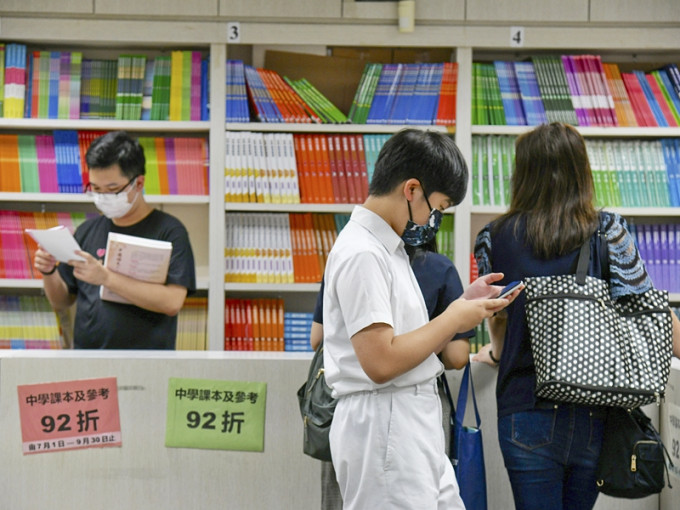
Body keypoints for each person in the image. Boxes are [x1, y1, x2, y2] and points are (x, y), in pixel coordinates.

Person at [472, 122, 680, 510]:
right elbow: (648, 307)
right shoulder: (608, 231)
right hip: (593, 411)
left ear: (523, 173)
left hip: (524, 409)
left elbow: (497, 316)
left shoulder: (493, 237)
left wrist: (499, 354)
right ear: (581, 172)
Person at [322, 128, 517, 510]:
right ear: (411, 190)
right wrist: (454, 317)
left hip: (409, 418)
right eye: (437, 207)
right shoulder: (363, 253)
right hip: (384, 419)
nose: (433, 219)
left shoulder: (387, 247)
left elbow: (407, 336)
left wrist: (462, 303)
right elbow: (380, 361)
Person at [310, 239, 474, 510]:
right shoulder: (437, 267)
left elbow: (318, 338)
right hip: (402, 408)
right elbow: (457, 357)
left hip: (351, 408)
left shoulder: (346, 255)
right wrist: (450, 322)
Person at [33, 131, 196, 349]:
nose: (102, 197)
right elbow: (62, 301)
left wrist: (106, 277)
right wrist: (49, 272)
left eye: (112, 189)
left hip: (146, 363)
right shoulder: (87, 230)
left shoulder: (169, 231)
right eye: (96, 189)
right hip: (88, 363)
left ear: (139, 183)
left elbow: (172, 302)